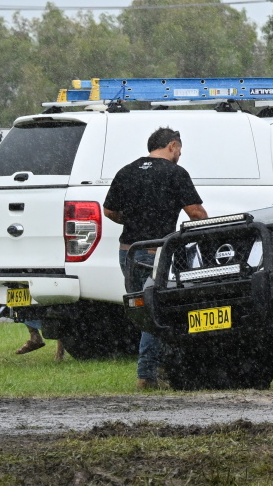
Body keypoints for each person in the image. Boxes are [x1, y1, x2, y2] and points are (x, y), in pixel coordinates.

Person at [103, 127, 209, 391]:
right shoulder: (174, 173)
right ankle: (148, 374)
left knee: (143, 310)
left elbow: (109, 211)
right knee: (157, 311)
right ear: (172, 145)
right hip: (155, 253)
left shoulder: (126, 171)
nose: (180, 156)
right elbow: (195, 212)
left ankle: (160, 368)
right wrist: (209, 231)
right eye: (179, 150)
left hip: (127, 252)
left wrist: (133, 220)